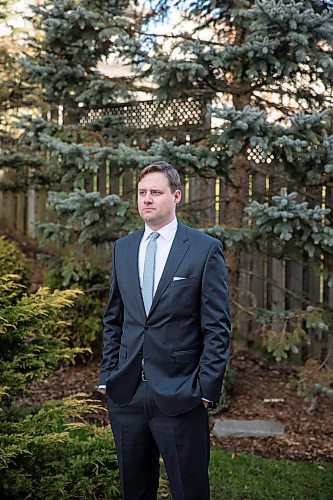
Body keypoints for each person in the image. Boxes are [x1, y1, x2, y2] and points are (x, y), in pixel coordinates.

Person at [99, 161, 231, 500]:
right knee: (135, 490)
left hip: (181, 394)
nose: (146, 199)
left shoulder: (204, 249)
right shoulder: (123, 248)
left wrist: (205, 389)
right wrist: (108, 375)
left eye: (155, 193)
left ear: (176, 196)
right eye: (142, 193)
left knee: (190, 491)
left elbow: (217, 327)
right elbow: (114, 317)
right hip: (126, 394)